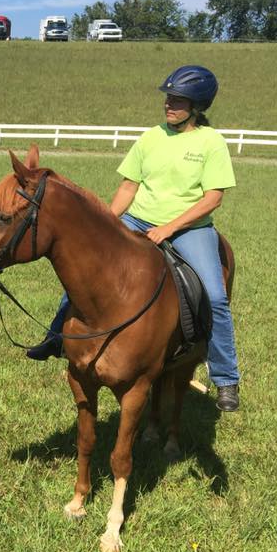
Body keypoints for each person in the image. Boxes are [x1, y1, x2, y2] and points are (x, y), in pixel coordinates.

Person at [26, 65, 242, 412]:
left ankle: (226, 377)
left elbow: (212, 198)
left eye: (177, 99)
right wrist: (107, 227)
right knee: (84, 273)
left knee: (216, 297)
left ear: (198, 105)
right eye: (167, 97)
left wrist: (169, 229)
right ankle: (55, 338)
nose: (168, 104)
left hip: (191, 227)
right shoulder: (151, 137)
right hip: (138, 218)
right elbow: (129, 186)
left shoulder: (210, 142)